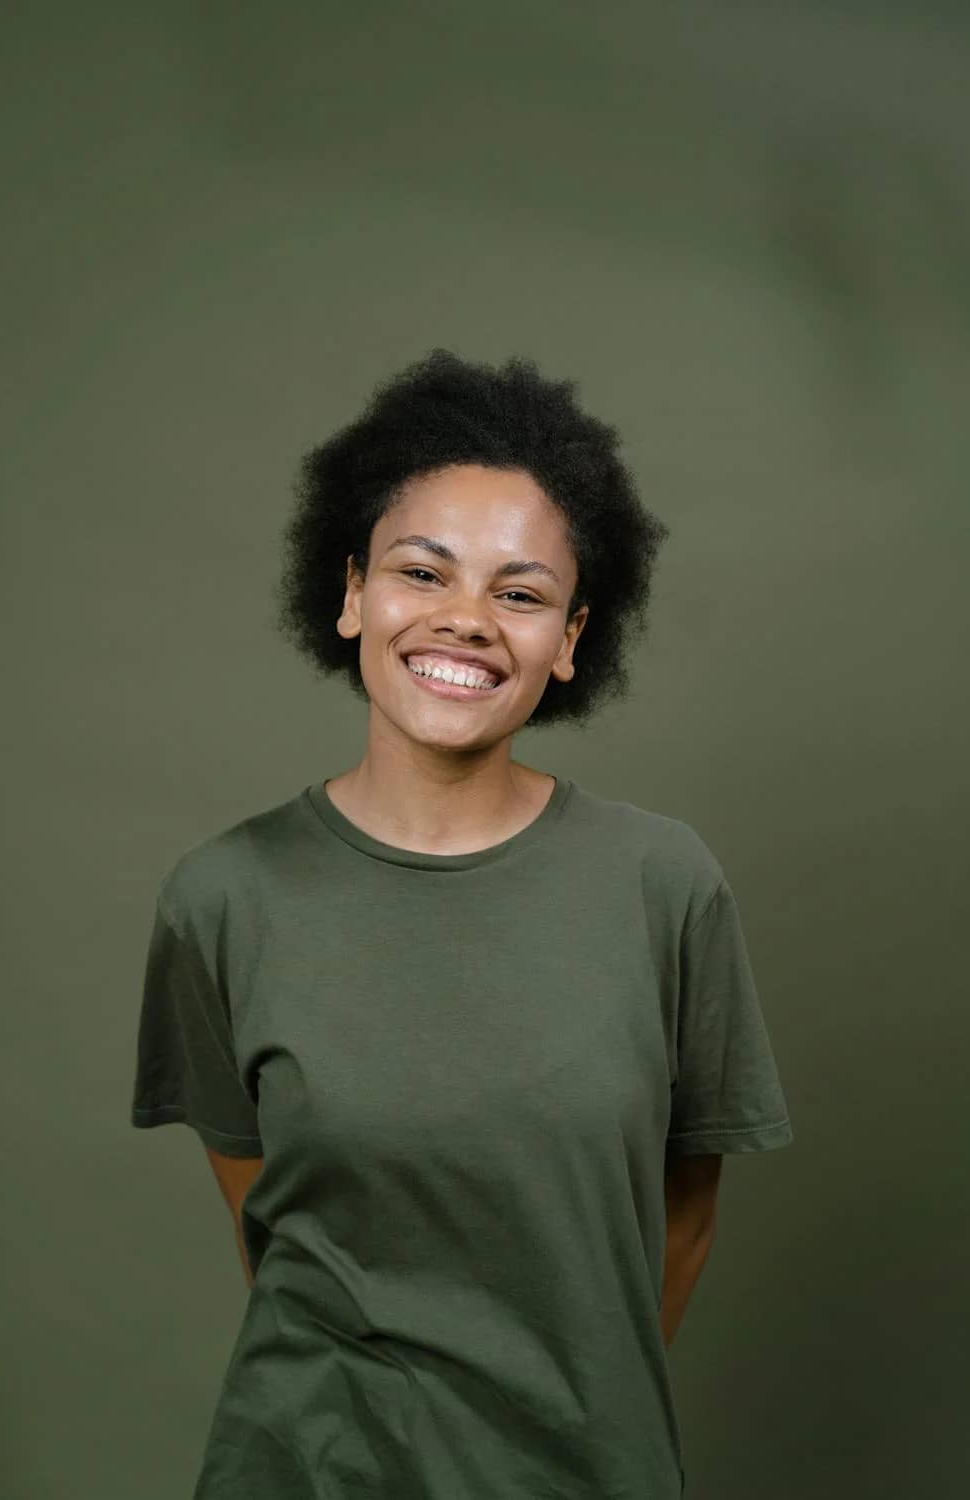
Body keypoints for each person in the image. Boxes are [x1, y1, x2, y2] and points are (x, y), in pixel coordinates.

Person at [130, 348, 794, 1499]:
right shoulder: (222, 897)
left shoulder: (663, 884)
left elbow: (683, 1219)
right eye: (421, 572)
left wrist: (567, 1412)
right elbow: (269, 1221)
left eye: (519, 594)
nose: (466, 619)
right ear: (352, 593)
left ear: (570, 640)